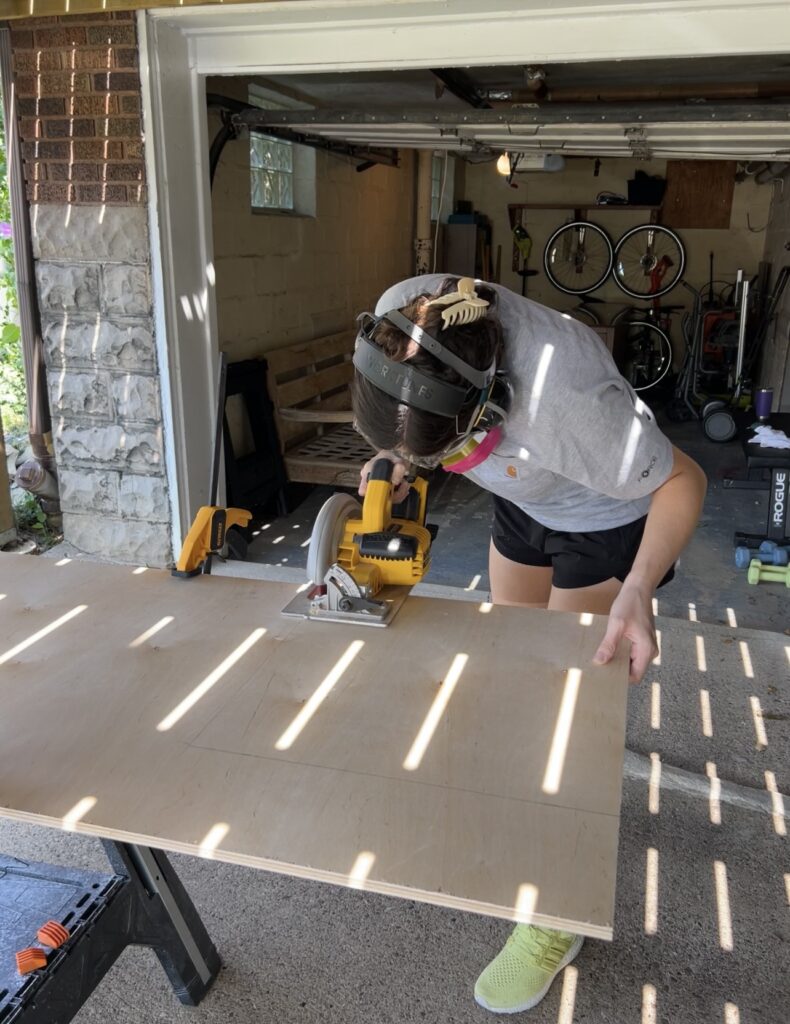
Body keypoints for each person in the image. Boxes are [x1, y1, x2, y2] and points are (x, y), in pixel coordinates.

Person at [352, 274, 707, 1016]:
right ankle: (530, 835)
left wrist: (638, 587)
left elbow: (684, 480)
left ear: (486, 404)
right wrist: (398, 458)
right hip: (523, 502)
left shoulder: (570, 404)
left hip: (607, 518)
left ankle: (555, 918)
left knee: (568, 718)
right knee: (514, 677)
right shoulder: (404, 319)